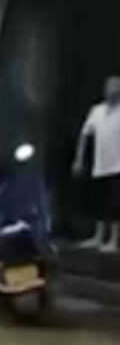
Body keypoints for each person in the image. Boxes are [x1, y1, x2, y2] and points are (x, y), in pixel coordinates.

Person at [74, 76, 120, 253]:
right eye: (109, 86)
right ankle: (98, 236)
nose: (112, 89)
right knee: (99, 202)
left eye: (116, 86)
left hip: (118, 165)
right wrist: (79, 158)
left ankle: (114, 241)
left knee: (115, 204)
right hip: (100, 163)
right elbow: (85, 135)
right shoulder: (97, 111)